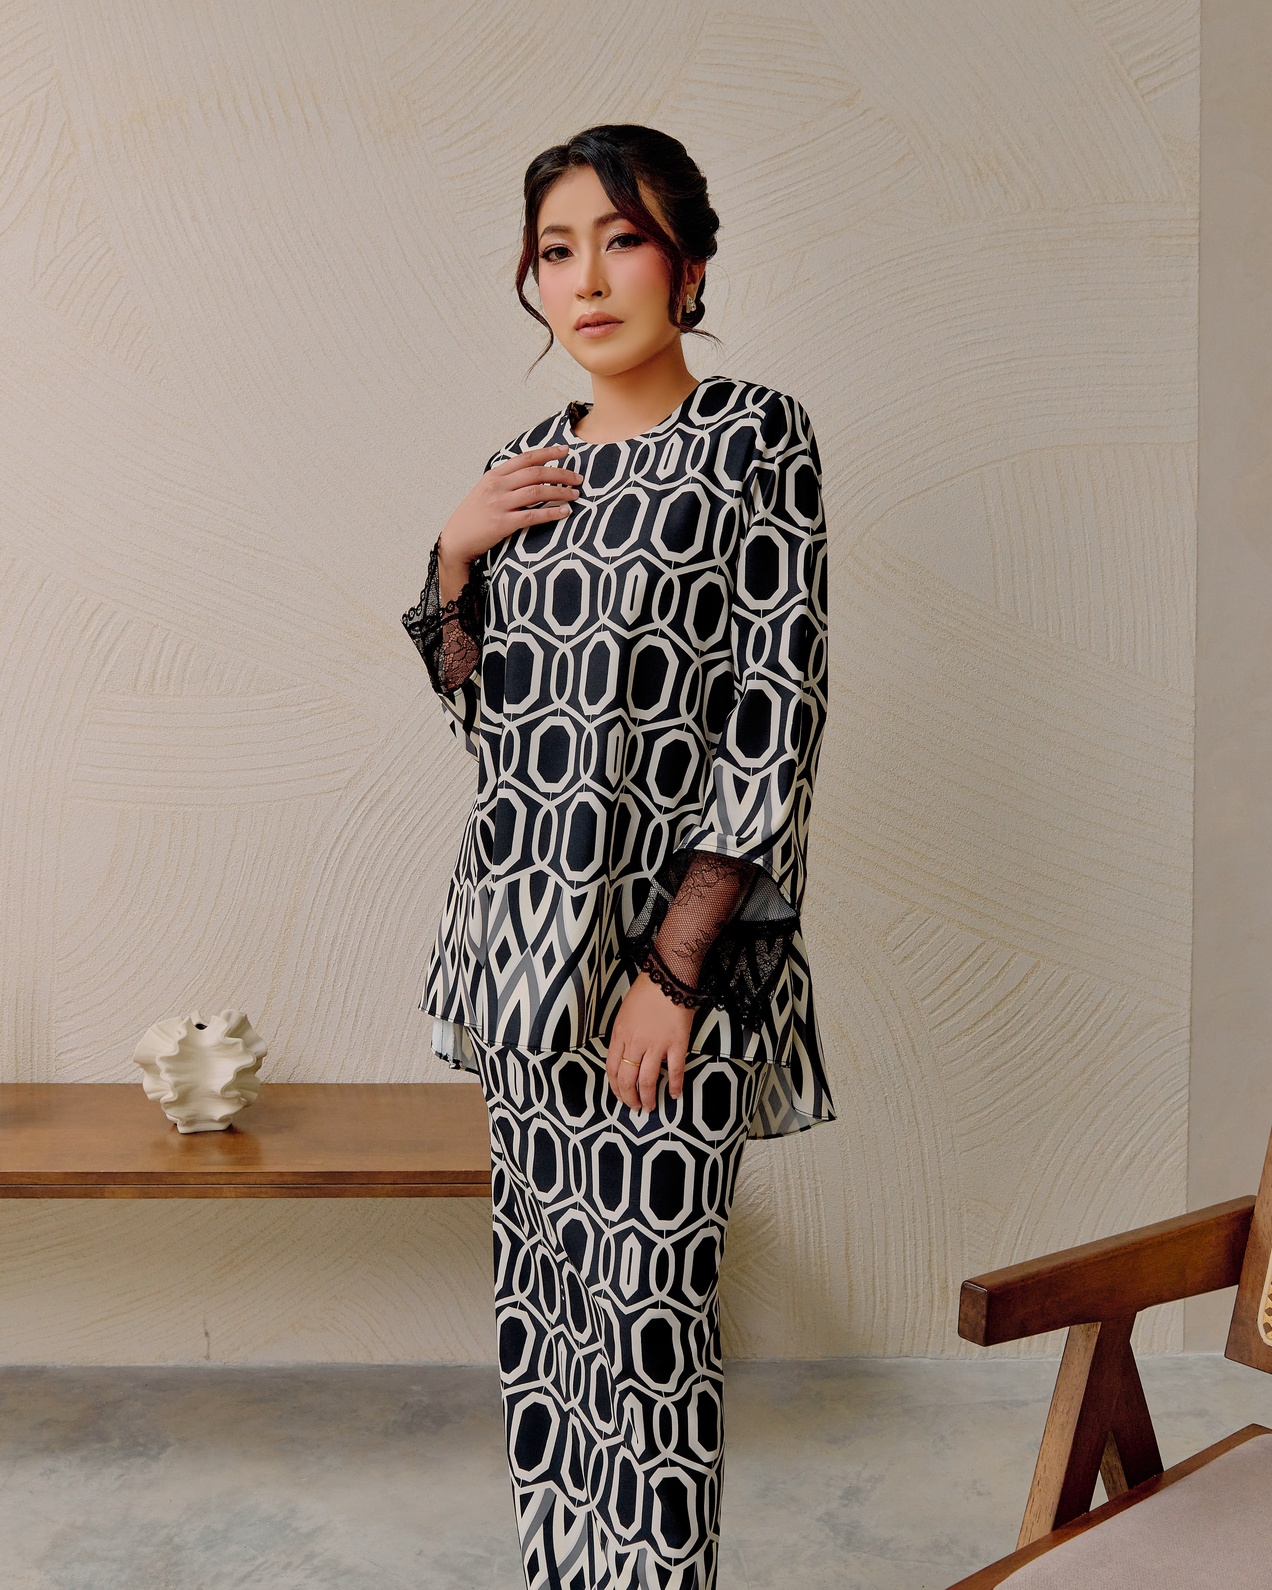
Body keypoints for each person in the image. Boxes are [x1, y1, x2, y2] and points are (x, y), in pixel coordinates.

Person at [402, 122, 834, 1590]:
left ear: (688, 263)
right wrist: (453, 559)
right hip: (522, 960)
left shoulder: (756, 438)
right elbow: (486, 721)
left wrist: (675, 969)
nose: (585, 278)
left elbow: (775, 719)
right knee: (547, 1324)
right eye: (556, 249)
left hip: (667, 967)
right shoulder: (516, 472)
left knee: (647, 1333)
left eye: (622, 238)